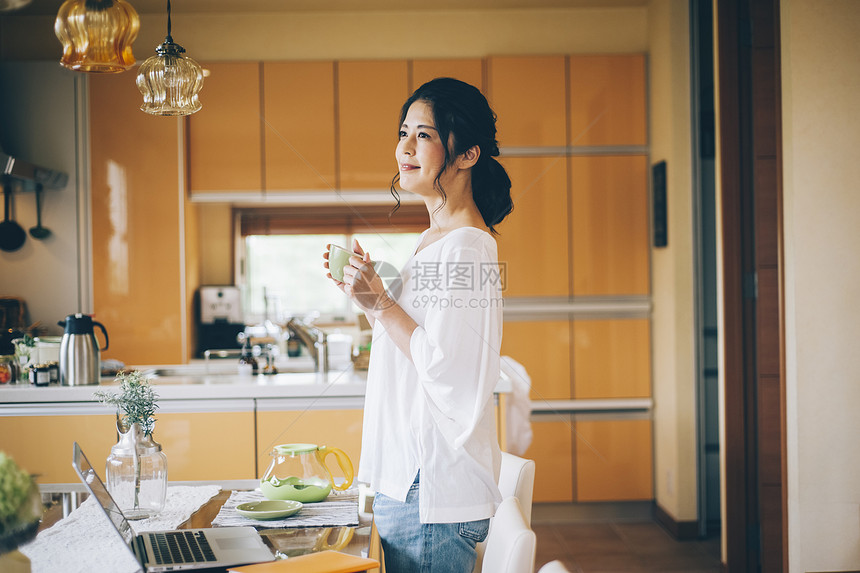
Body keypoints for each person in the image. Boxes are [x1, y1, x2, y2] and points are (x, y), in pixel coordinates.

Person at [324, 77, 514, 573]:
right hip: (411, 483)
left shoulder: (468, 246)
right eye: (404, 131)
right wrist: (370, 298)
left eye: (424, 135)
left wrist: (382, 302)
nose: (404, 147)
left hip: (428, 490)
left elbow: (448, 371)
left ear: (467, 154)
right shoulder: (434, 238)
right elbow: (417, 347)